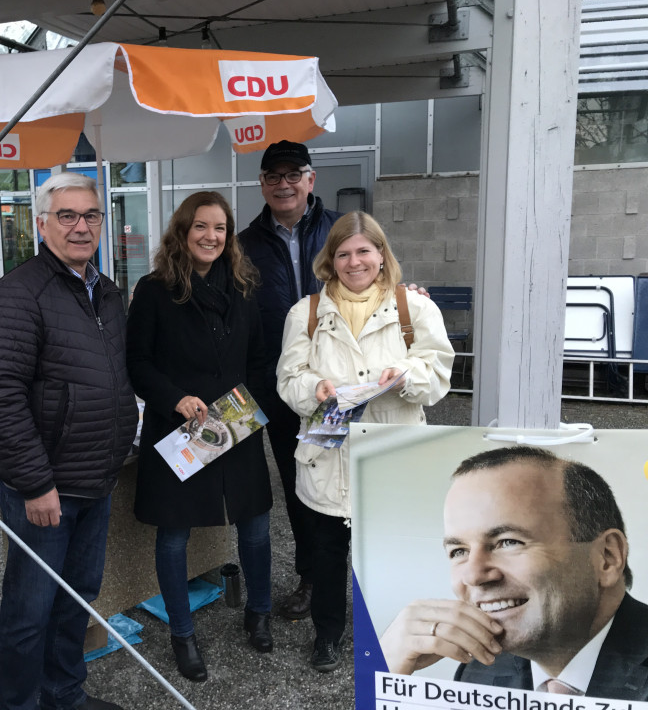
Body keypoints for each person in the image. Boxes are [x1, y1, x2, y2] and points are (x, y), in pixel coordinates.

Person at [0, 172, 137, 710]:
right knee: (29, 609)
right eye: (67, 215)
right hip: (45, 486)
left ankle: (63, 694)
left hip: (96, 474)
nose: (81, 226)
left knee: (76, 600)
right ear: (42, 223)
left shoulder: (108, 292)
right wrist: (37, 483)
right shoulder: (19, 293)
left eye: (91, 214)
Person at [277, 210, 453, 672]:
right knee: (328, 556)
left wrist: (406, 376)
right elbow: (289, 377)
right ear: (329, 260)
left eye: (363, 251)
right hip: (327, 453)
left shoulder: (415, 308)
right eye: (343, 254)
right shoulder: (306, 312)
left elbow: (438, 374)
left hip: (391, 453)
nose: (354, 262)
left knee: (390, 551)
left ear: (381, 254)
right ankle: (328, 635)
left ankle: (393, 635)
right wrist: (312, 389)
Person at [126, 191, 273, 683]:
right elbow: (137, 364)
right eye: (201, 227)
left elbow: (257, 358)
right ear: (183, 232)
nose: (212, 237)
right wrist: (174, 398)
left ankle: (259, 611)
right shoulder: (154, 290)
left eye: (220, 229)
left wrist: (246, 406)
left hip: (235, 420)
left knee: (254, 523)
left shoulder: (243, 287)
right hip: (181, 427)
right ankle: (182, 634)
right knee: (174, 534)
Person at [380, 446, 648, 700]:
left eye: (508, 542)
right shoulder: (481, 670)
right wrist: (384, 683)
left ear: (607, 558)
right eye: (459, 551)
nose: (473, 575)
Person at [238, 140, 344, 621]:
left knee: (347, 481)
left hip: (341, 389)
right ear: (261, 184)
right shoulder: (242, 245)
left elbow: (381, 280)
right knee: (302, 482)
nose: (283, 184)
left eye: (292, 174)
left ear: (310, 179)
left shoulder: (342, 231)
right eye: (272, 176)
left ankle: (356, 578)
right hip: (281, 390)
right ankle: (312, 578)